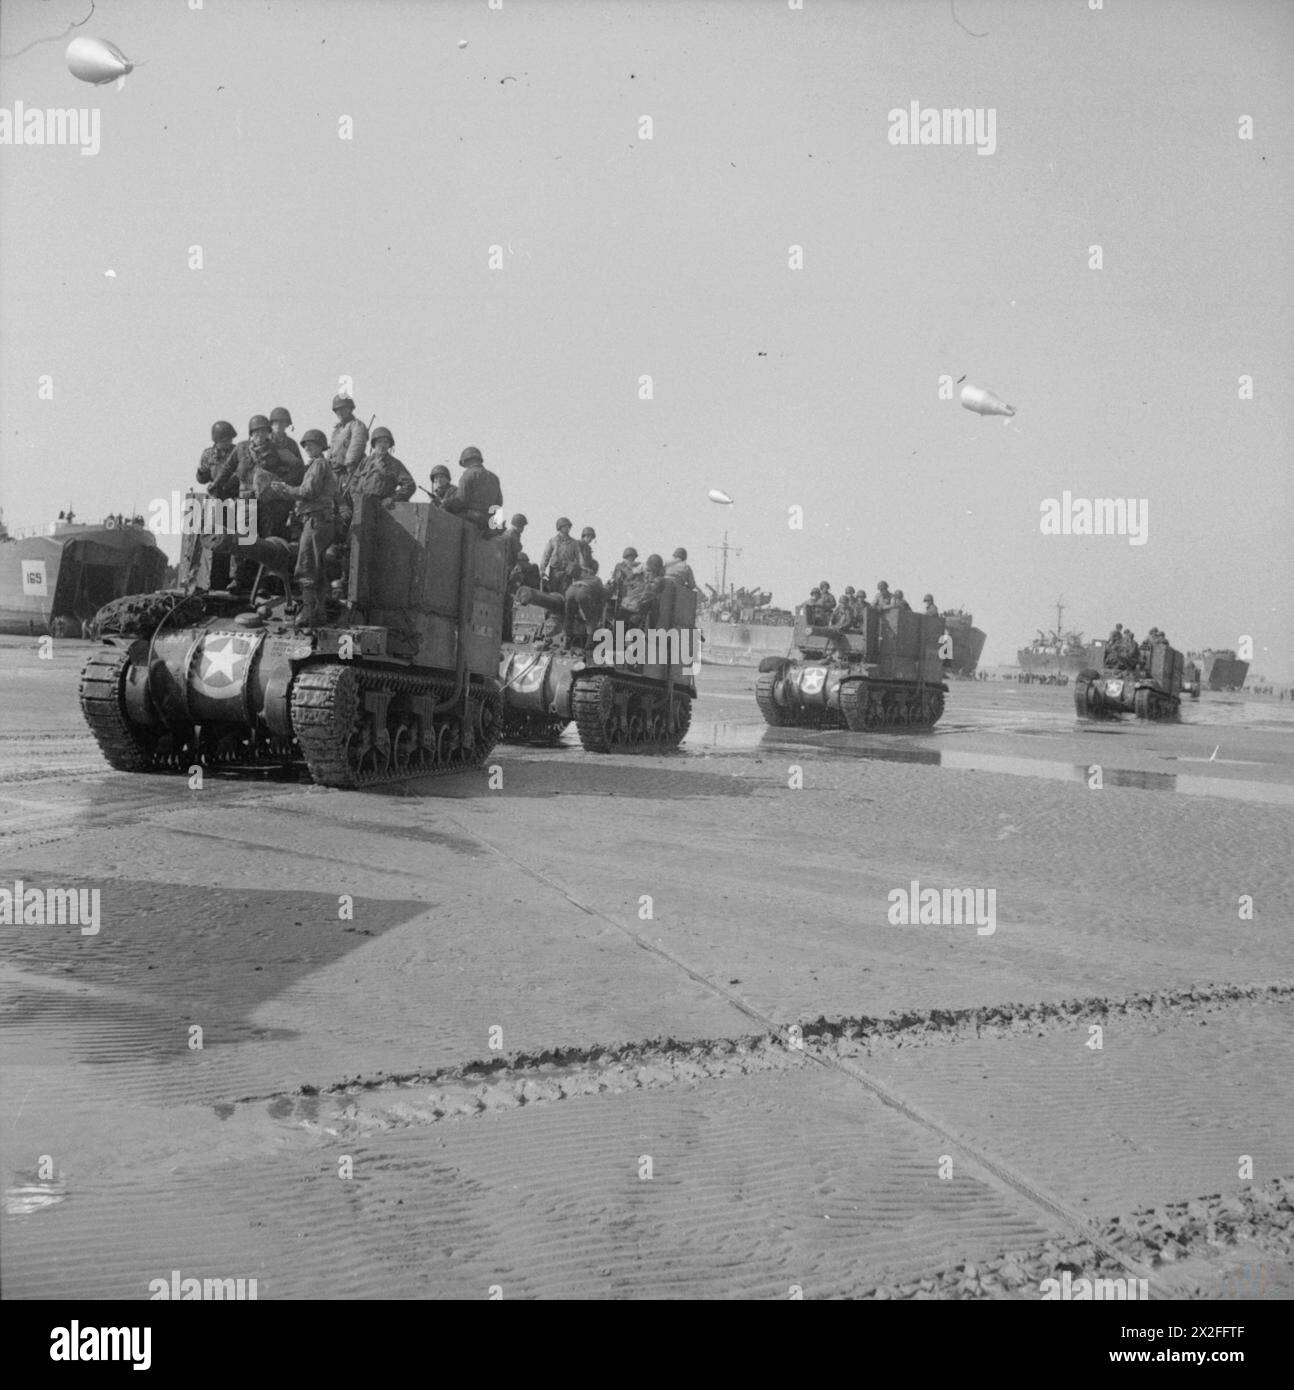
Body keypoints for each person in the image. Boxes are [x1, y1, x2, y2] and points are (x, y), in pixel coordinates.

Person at [277, 428, 340, 628]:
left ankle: (307, 613)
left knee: (305, 566)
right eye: (306, 445)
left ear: (321, 446)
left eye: (311, 444)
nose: (307, 448)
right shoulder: (319, 465)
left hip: (314, 522)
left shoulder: (319, 464)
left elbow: (308, 491)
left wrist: (286, 490)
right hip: (320, 521)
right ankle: (318, 612)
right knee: (318, 569)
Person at [347, 426, 416, 504]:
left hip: (381, 506)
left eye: (386, 442)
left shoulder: (395, 464)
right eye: (379, 442)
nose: (382, 445)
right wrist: (355, 497)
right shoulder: (365, 462)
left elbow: (410, 485)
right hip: (361, 504)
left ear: (389, 445)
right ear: (374, 444)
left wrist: (393, 498)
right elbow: (354, 482)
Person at [443, 446, 503, 532]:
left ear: (465, 461)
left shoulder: (468, 475)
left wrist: (446, 502)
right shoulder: (494, 478)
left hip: (471, 519)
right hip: (488, 523)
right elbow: (499, 503)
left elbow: (461, 500)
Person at [564, 560, 606, 645]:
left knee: (569, 616)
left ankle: (567, 641)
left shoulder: (579, 573)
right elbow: (602, 594)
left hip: (570, 591)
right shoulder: (597, 579)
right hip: (582, 593)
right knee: (590, 619)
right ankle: (589, 645)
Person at [327, 394, 369, 475]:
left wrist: (350, 463)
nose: (340, 412)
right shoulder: (337, 429)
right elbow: (331, 449)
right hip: (334, 470)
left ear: (350, 409)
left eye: (343, 409)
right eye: (337, 410)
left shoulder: (356, 425)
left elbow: (357, 444)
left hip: (349, 469)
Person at [197, 421, 239, 499]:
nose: (228, 442)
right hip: (216, 495)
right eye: (225, 441)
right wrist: (202, 472)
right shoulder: (208, 454)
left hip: (235, 495)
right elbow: (202, 480)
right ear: (217, 441)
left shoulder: (237, 452)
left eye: (230, 439)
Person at [540, 517, 583, 593]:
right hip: (554, 572)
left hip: (567, 574)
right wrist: (542, 569)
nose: (568, 528)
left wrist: (582, 570)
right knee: (552, 594)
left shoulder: (574, 543)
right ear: (560, 527)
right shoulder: (553, 541)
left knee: (564, 596)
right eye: (565, 526)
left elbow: (580, 558)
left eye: (568, 526)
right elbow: (546, 556)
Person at [269, 406, 305, 481]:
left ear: (287, 424)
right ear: (271, 424)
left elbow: (300, 467)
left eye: (281, 422)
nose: (278, 425)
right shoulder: (265, 442)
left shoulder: (292, 444)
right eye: (275, 422)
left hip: (288, 482)